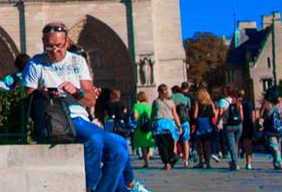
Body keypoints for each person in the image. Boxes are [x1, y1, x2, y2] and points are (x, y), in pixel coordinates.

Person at [23, 22, 151, 192]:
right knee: (95, 139)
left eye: (59, 46)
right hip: (55, 119)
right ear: (43, 42)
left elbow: (90, 100)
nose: (54, 51)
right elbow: (27, 98)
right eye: (49, 46)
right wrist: (43, 94)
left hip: (79, 117)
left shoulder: (78, 62)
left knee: (120, 148)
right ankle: (90, 187)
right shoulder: (35, 65)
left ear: (67, 42)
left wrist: (76, 92)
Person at [151, 84, 182, 170]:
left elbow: (153, 114)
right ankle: (171, 158)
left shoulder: (156, 102)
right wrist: (179, 125)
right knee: (170, 144)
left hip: (160, 124)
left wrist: (150, 123)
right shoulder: (171, 102)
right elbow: (175, 114)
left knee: (162, 145)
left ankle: (167, 163)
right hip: (170, 125)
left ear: (159, 92)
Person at [191, 88, 217, 169]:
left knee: (199, 143)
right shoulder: (211, 103)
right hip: (208, 123)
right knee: (207, 144)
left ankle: (201, 161)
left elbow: (195, 115)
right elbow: (215, 114)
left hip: (200, 123)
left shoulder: (197, 103)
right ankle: (208, 162)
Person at [261, 87, 282, 170]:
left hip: (269, 126)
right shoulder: (280, 101)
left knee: (273, 146)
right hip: (279, 126)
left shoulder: (266, 102)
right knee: (277, 145)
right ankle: (277, 163)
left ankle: (279, 162)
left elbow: (261, 114)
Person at [219, 86, 243, 170]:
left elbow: (220, 113)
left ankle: (235, 163)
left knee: (231, 145)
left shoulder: (222, 101)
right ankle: (234, 161)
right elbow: (242, 116)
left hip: (228, 125)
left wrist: (219, 122)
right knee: (235, 144)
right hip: (238, 125)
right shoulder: (237, 102)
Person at [132, 91, 154, 168]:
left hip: (140, 127)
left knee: (143, 146)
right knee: (147, 143)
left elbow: (135, 116)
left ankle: (146, 162)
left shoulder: (136, 106)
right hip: (148, 127)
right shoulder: (149, 106)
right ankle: (148, 157)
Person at [170, 85, 191, 167]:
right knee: (186, 141)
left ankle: (175, 157)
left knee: (174, 140)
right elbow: (189, 108)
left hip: (175, 121)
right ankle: (186, 161)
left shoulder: (171, 97)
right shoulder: (186, 98)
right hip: (185, 120)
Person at [239, 88, 255, 170]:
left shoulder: (237, 103)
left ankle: (235, 162)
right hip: (248, 124)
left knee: (236, 143)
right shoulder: (250, 103)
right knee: (248, 145)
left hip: (238, 124)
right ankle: (248, 163)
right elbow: (253, 116)